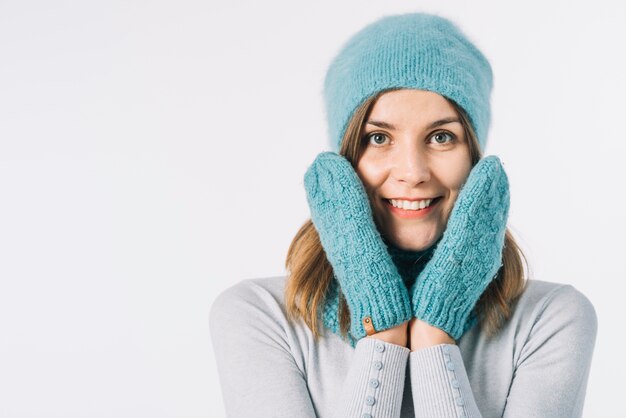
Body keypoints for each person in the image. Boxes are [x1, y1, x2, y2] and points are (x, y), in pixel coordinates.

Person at [209, 13, 597, 418]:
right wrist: (384, 330)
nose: (412, 172)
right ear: (344, 162)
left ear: (474, 160)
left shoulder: (551, 318)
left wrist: (437, 326)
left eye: (441, 137)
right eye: (378, 138)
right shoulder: (257, 315)